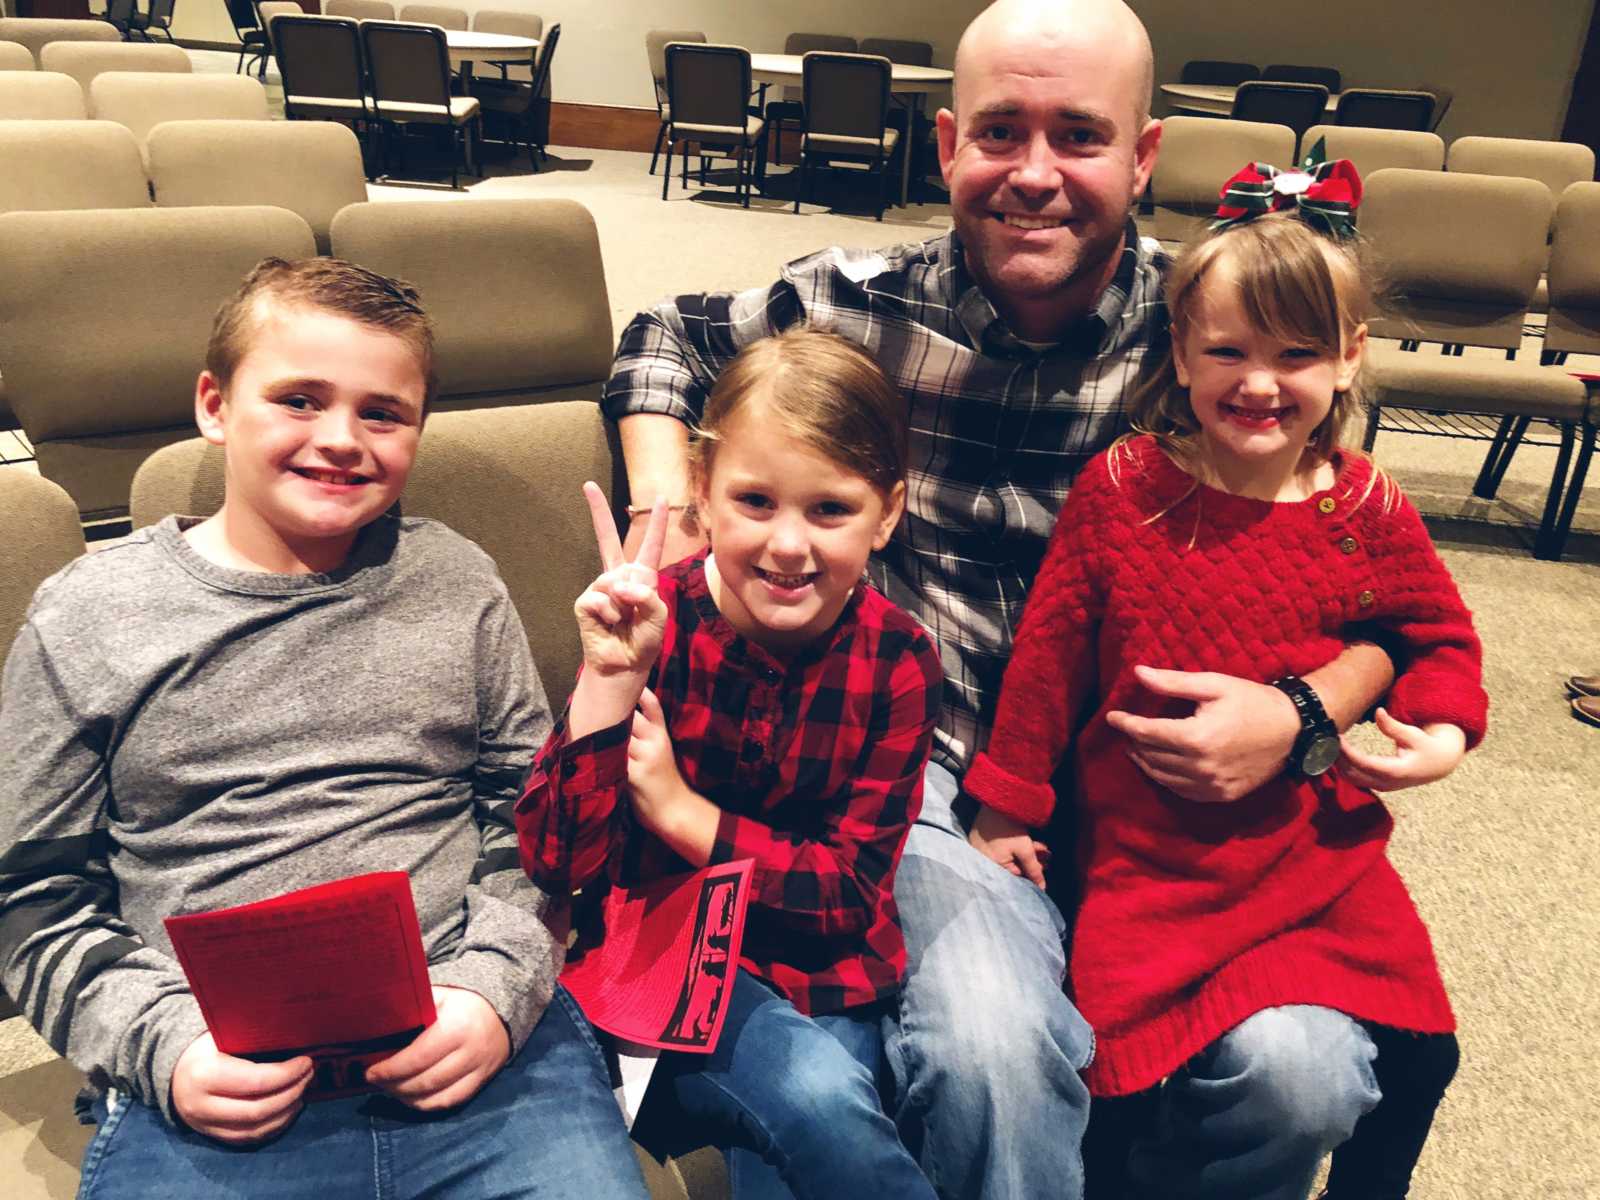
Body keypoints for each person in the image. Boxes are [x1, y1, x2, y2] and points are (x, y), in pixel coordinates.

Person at [603, 2, 1397, 1196]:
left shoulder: (1227, 331)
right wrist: (671, 513)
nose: (1034, 175)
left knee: (1305, 1078)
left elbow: (1374, 584)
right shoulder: (852, 303)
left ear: (1142, 155)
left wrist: (1304, 713)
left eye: (1078, 135)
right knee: (988, 1048)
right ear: (945, 146)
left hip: (1175, 790)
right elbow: (666, 336)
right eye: (999, 132)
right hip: (938, 757)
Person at [0, 258, 650, 1200]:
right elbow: (37, 892)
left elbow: (529, 825)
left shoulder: (457, 578)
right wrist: (166, 1048)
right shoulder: (89, 612)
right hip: (214, 1071)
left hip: (469, 1038)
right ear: (215, 406)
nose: (342, 440)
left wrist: (495, 992)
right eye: (299, 400)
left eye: (382, 413)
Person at [964, 207, 1487, 1198]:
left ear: (1348, 360)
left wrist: (1444, 731)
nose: (1258, 383)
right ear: (1180, 350)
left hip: (1311, 851)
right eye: (1228, 350)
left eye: (1296, 354)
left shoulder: (1364, 507)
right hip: (1148, 859)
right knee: (1114, 1078)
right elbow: (1047, 662)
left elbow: (1436, 635)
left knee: (1422, 1056)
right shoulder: (1123, 488)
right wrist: (1003, 807)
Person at [517, 328, 944, 1200]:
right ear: (702, 495)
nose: (789, 546)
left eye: (830, 511)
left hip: (820, 974)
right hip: (657, 975)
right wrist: (608, 680)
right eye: (755, 502)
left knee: (830, 1125)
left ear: (888, 515)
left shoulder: (899, 659)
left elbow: (844, 897)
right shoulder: (652, 621)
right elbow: (556, 864)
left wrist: (686, 816)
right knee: (822, 1104)